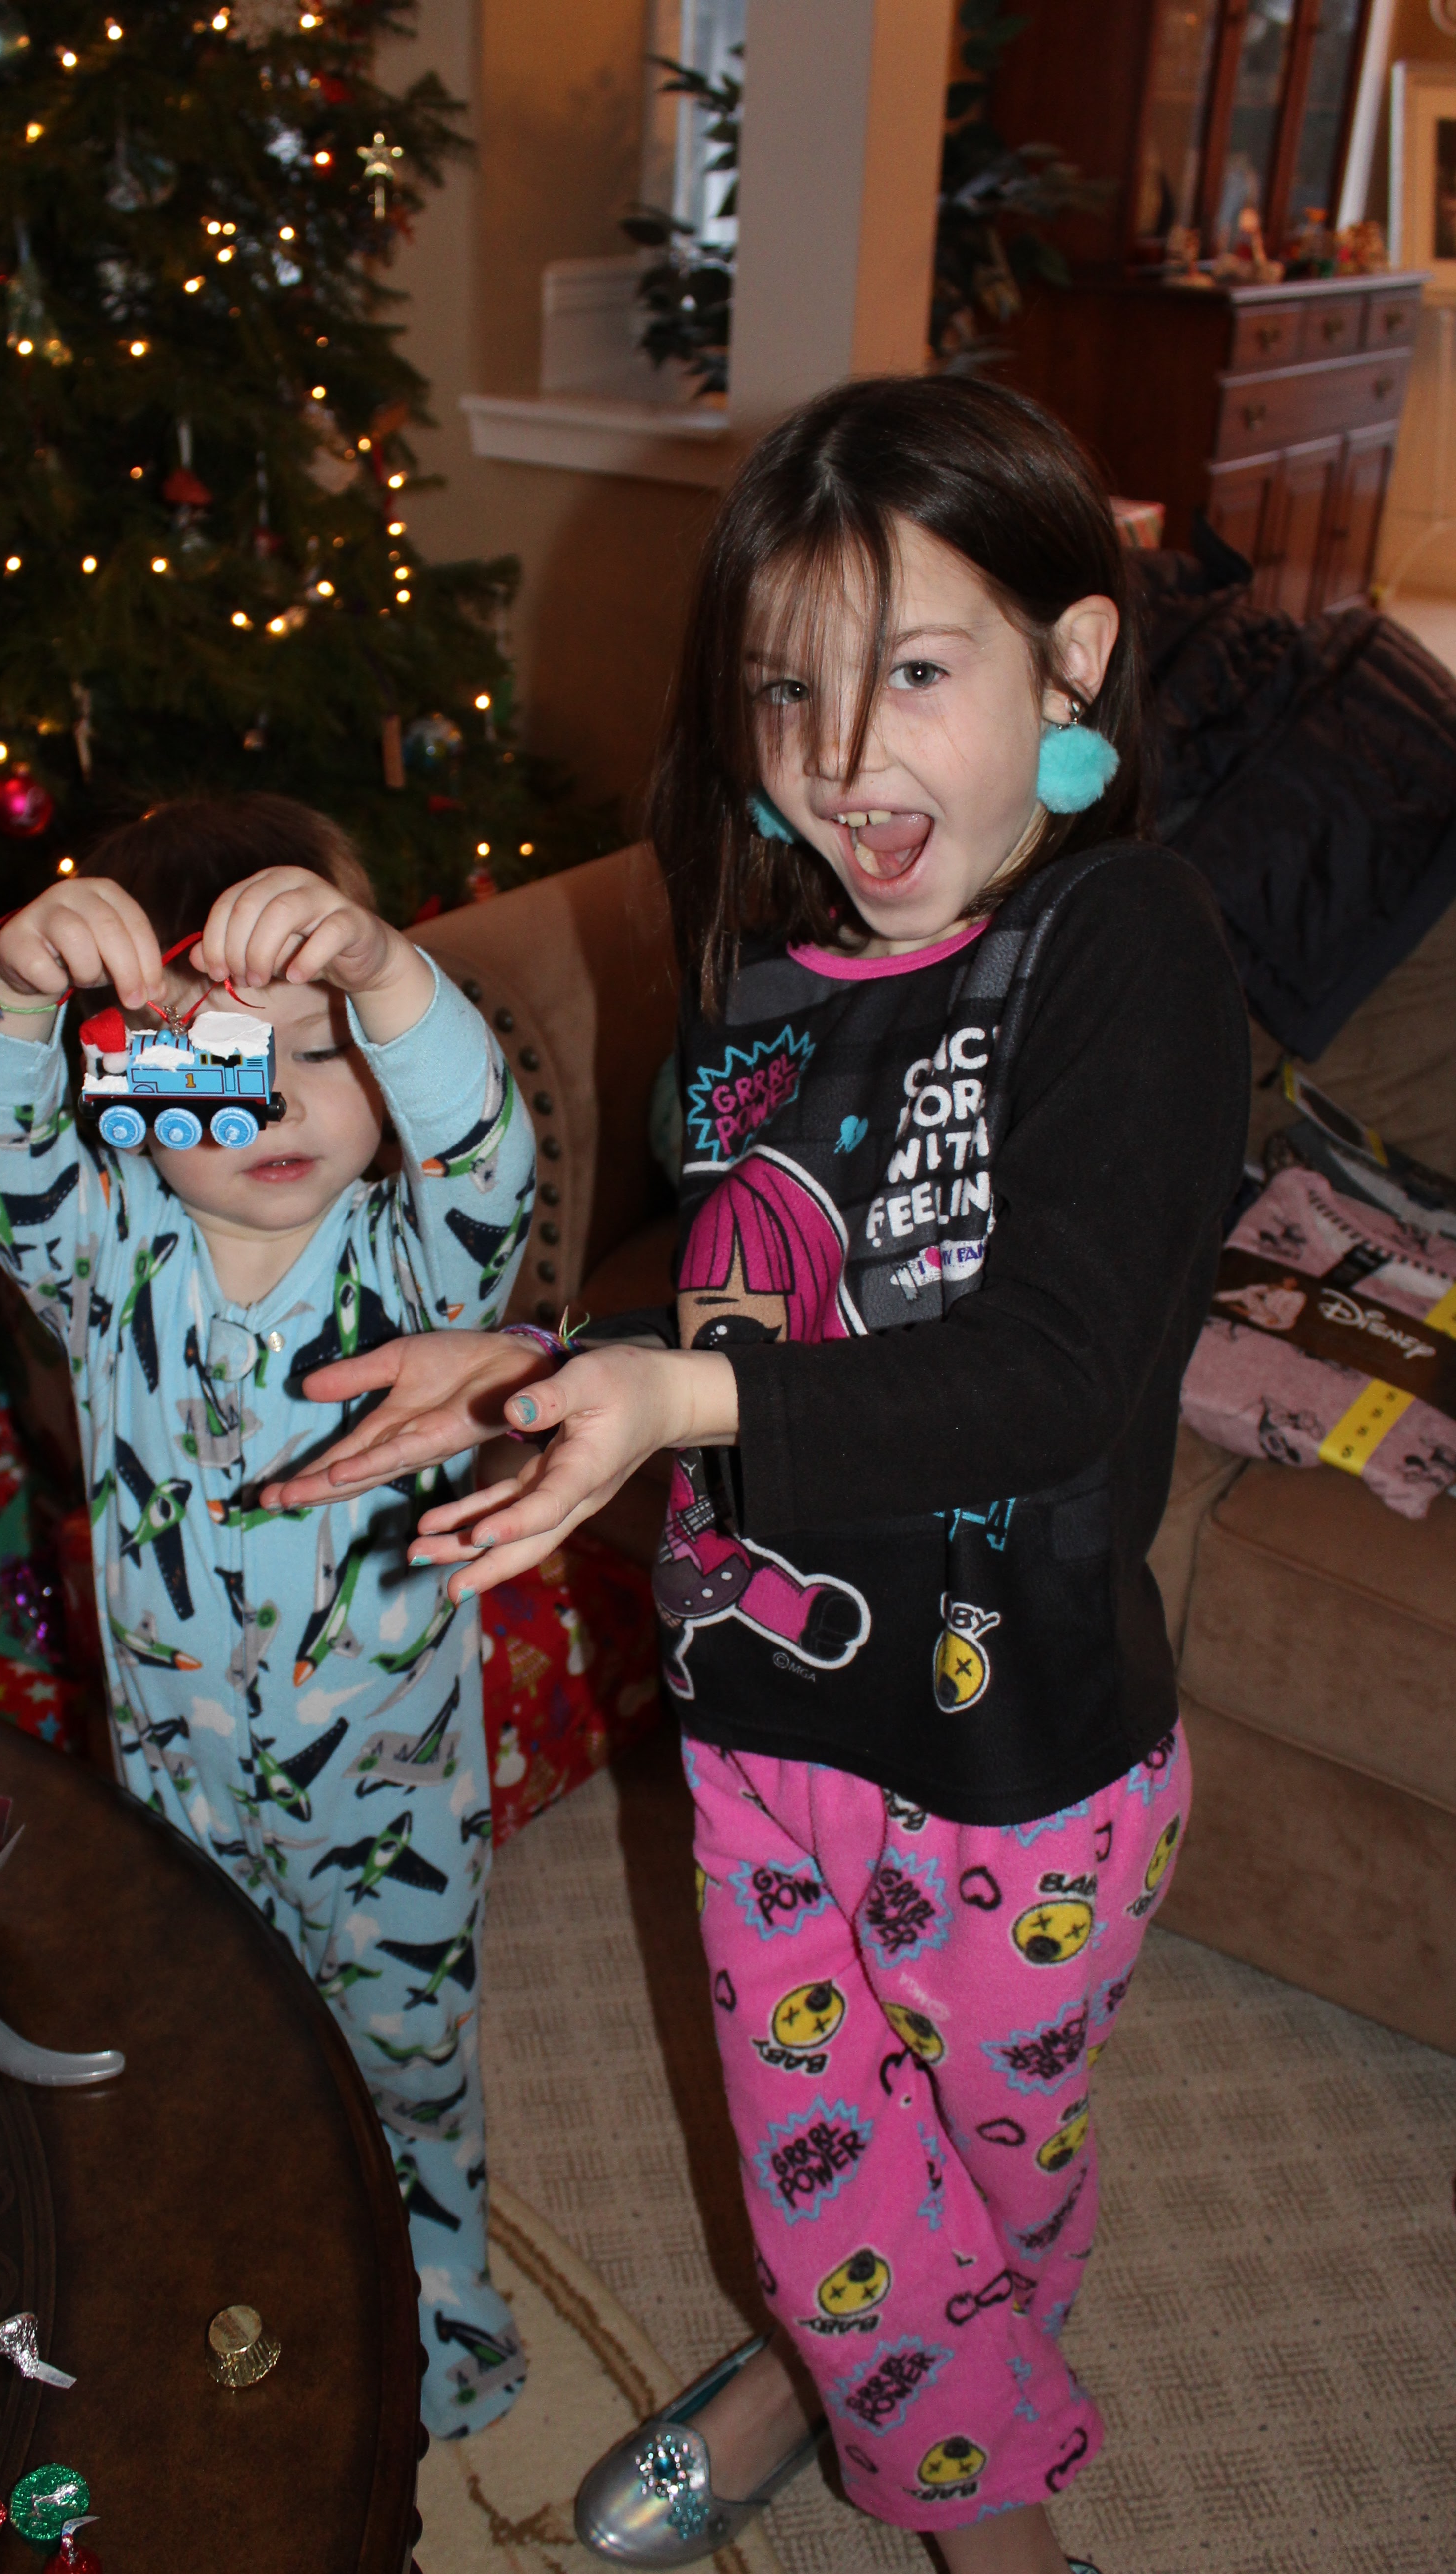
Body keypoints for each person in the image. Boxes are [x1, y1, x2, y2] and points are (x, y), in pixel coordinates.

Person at [264, 378, 1252, 2572]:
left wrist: (673, 1404)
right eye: (789, 692)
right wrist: (547, 1372)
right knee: (836, 2186)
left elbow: (1053, 1379)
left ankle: (862, 2385)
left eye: (919, 673)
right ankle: (931, 2460)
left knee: (994, 2188)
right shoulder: (763, 990)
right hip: (759, 1719)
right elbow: (743, 1337)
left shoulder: (1125, 947)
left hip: (1016, 1761)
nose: (841, 755)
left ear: (1070, 664)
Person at [0, 793, 537, 2440]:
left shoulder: (423, 1270)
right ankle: (278, 2251)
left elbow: (487, 1154)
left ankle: (444, 2300)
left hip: (392, 1802)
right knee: (224, 2043)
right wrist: (12, 988)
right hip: (180, 1799)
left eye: (326, 1050)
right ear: (126, 1095)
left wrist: (389, 974)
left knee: (411, 2064)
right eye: (216, 1067)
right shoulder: (105, 1259)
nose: (277, 1100)